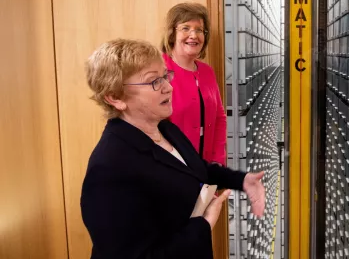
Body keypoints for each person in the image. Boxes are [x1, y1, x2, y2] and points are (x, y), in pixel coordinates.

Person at [81, 39, 265, 259]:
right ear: (116, 98)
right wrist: (204, 224)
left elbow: (195, 169)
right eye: (154, 82)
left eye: (166, 76)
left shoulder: (165, 129)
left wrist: (242, 181)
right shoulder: (109, 167)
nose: (168, 87)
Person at [160, 2, 226, 165]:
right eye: (185, 28)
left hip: (206, 164)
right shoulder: (159, 69)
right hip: (171, 166)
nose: (193, 35)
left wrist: (217, 161)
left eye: (199, 30)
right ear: (171, 33)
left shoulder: (207, 72)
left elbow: (219, 118)